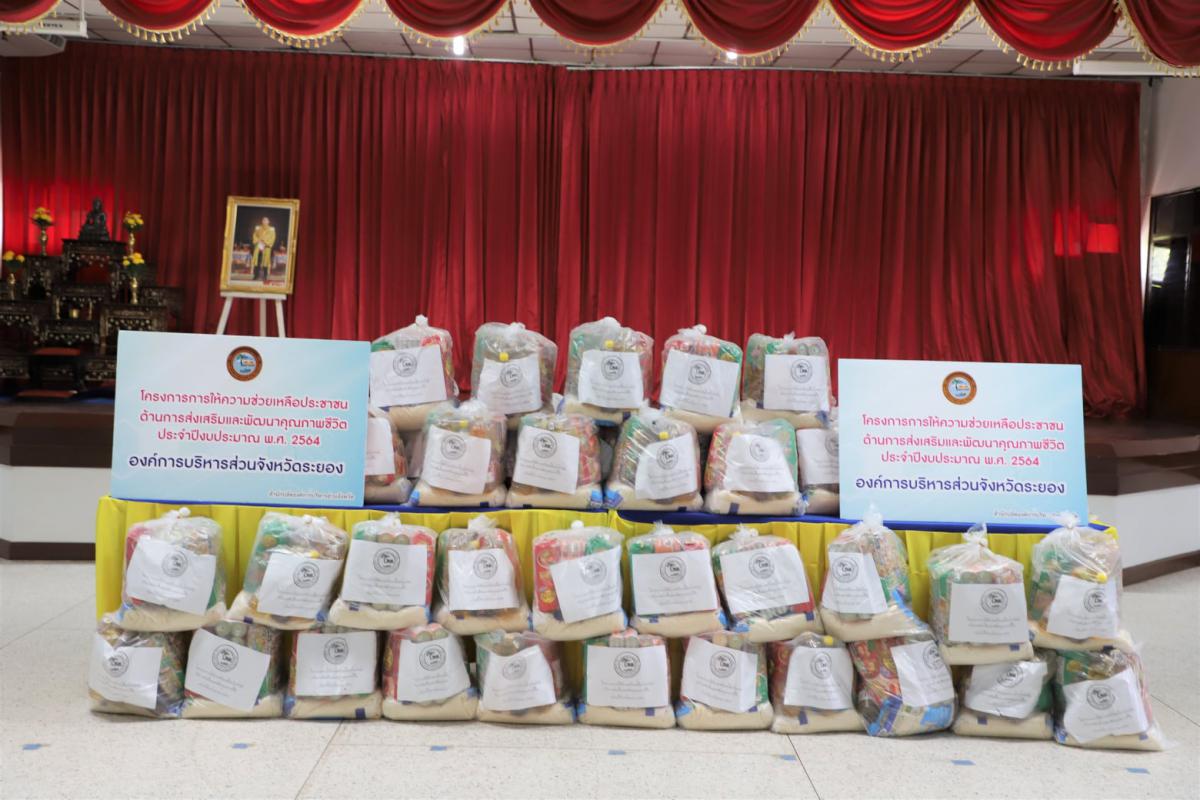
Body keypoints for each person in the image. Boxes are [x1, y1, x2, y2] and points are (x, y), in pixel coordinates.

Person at [250, 216, 276, 281]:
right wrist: (258, 240)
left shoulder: (271, 229)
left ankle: (265, 276)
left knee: (265, 261)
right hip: (259, 246)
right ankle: (256, 275)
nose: (265, 222)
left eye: (266, 220)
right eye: (263, 220)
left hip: (266, 247)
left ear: (268, 222)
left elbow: (273, 238)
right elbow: (254, 235)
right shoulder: (258, 228)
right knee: (257, 261)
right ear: (262, 221)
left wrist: (265, 242)